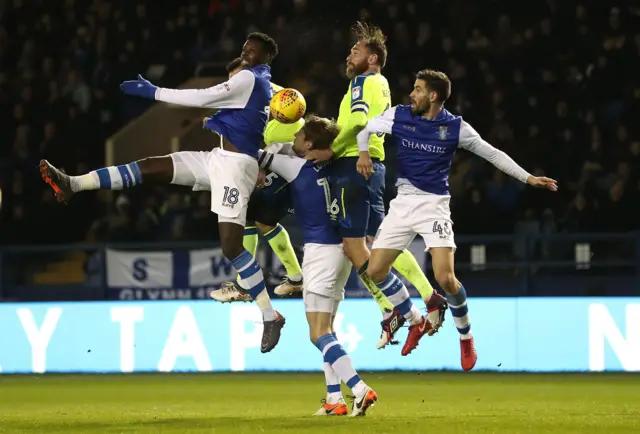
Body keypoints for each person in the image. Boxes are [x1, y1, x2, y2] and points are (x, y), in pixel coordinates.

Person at [39, 33, 286, 354]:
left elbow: (201, 97)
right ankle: (74, 184)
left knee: (231, 247)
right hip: (219, 159)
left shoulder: (251, 78)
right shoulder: (261, 85)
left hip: (236, 168)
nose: (245, 55)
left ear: (265, 57)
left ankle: (270, 316)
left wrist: (154, 91)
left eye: (252, 51)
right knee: (151, 167)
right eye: (244, 49)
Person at [357, 69, 558, 368]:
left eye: (417, 89)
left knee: (445, 278)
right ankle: (414, 317)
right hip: (402, 205)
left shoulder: (455, 128)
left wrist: (528, 178)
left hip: (434, 205)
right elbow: (365, 130)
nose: (411, 94)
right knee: (374, 271)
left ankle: (465, 338)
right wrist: (363, 153)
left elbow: (493, 154)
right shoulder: (399, 115)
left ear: (433, 96)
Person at [305, 22, 447, 348]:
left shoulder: (362, 82)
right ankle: (428, 296)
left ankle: (396, 307)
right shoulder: (380, 84)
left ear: (372, 58)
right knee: (379, 243)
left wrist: (331, 149)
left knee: (354, 247)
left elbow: (357, 121)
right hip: (373, 167)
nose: (348, 55)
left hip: (354, 165)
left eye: (355, 50)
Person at [257, 114, 377, 417]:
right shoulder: (334, 161)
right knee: (329, 329)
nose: (295, 138)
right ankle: (334, 399)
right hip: (341, 249)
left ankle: (360, 388)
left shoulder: (295, 164)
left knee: (317, 333)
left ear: (309, 143)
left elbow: (250, 153)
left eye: (299, 135)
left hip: (320, 252)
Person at [211, 57, 304, 303]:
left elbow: (291, 119)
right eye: (231, 81)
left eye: (238, 78)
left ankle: (290, 278)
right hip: (274, 160)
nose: (234, 86)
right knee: (250, 215)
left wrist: (261, 161)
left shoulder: (270, 95)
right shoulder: (261, 93)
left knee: (262, 220)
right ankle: (287, 278)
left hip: (289, 163)